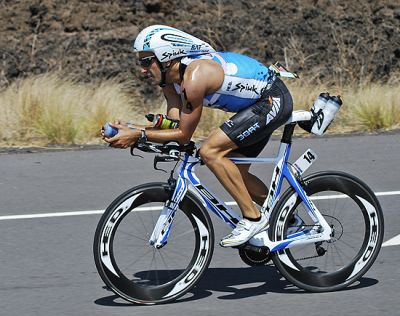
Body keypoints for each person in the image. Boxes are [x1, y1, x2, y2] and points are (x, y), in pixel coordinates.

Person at [103, 25, 293, 247]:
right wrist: (130, 129)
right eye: (140, 62)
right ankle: (288, 218)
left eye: (146, 62)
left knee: (210, 151)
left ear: (166, 58)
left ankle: (253, 218)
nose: (142, 70)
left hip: (272, 100)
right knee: (235, 172)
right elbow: (173, 125)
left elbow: (183, 135)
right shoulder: (170, 82)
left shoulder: (194, 77)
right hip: (255, 106)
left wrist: (138, 135)